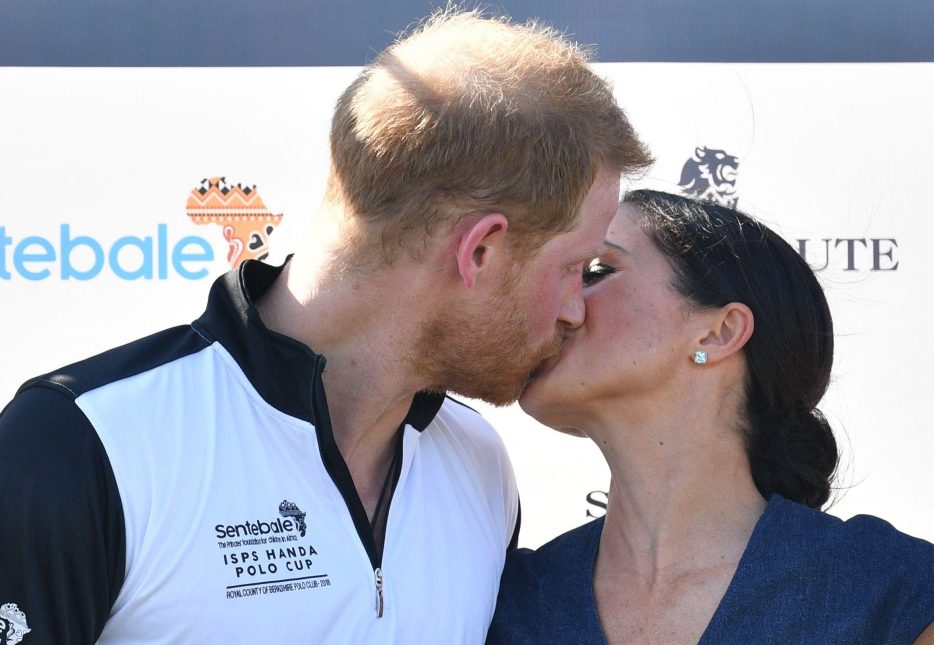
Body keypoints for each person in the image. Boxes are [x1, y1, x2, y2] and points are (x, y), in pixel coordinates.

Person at [0, 9, 652, 644]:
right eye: (576, 266)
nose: (576, 308)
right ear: (480, 251)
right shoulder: (85, 445)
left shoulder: (479, 465)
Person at [488, 190, 934, 644]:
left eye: (595, 271)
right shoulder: (506, 601)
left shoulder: (892, 593)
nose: (561, 306)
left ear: (719, 333)